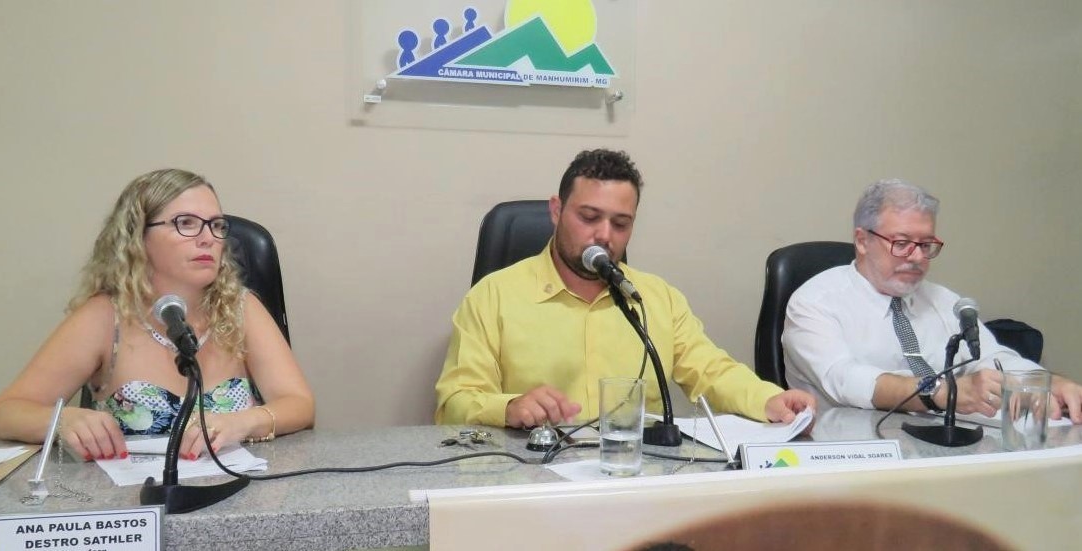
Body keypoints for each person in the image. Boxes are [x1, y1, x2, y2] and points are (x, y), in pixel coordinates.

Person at [435, 149, 815, 429]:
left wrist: (770, 399)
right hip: (534, 480)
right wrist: (509, 408)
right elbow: (455, 402)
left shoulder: (655, 298)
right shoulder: (493, 297)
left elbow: (711, 371)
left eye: (620, 224)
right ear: (556, 211)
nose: (604, 235)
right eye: (589, 217)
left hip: (635, 474)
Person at [0, 169, 315, 461]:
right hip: (134, 501)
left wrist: (245, 422)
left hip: (237, 493)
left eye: (216, 226)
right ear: (138, 237)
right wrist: (61, 420)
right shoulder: (105, 317)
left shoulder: (240, 308)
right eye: (185, 223)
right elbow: (3, 413)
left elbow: (299, 404)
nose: (208, 238)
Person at [783, 179, 1082, 422]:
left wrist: (1043, 381)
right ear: (862, 241)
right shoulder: (814, 302)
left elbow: (991, 358)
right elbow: (845, 379)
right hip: (853, 455)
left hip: (943, 445)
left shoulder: (943, 300)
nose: (917, 257)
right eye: (902, 243)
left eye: (926, 245)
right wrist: (942, 392)